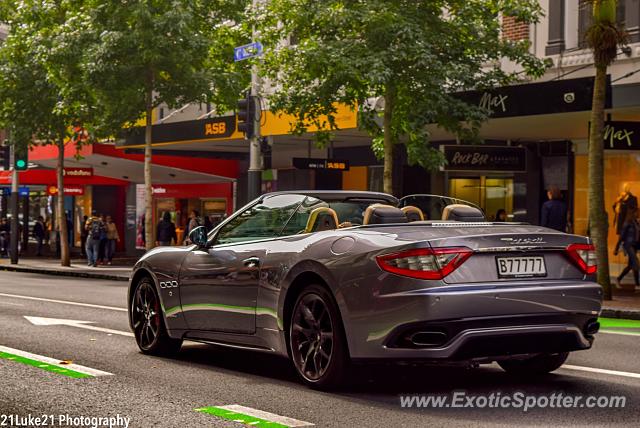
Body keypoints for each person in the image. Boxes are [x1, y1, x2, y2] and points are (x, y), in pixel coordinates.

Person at [614, 208, 640, 290]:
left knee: (631, 265)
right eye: (637, 212)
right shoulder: (628, 223)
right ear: (634, 213)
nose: (638, 214)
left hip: (635, 245)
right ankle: (637, 285)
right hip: (628, 245)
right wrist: (616, 248)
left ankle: (618, 279)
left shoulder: (637, 223)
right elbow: (621, 236)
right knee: (636, 263)